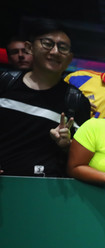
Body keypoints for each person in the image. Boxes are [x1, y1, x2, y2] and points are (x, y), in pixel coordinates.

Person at [0, 19, 90, 177]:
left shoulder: (76, 102)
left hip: (46, 193)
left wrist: (66, 146)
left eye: (63, 48)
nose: (55, 51)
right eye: (47, 43)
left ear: (69, 58)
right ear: (30, 48)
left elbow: (81, 159)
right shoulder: (4, 84)